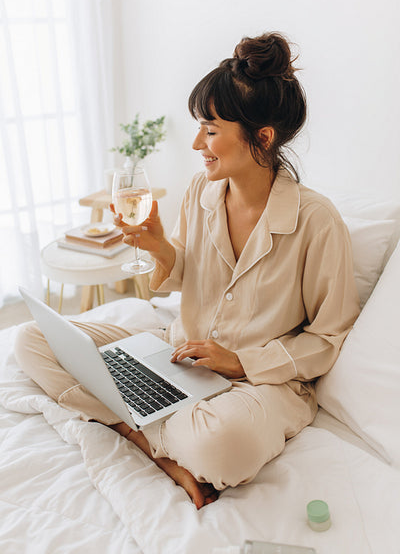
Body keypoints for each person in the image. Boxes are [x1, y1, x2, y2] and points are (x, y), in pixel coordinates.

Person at [15, 32, 360, 510]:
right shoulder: (201, 190)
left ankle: (128, 414)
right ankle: (146, 437)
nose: (197, 142)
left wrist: (240, 362)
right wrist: (160, 248)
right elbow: (186, 273)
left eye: (211, 129)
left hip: (261, 383)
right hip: (178, 352)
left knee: (223, 448)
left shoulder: (317, 222)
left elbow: (328, 338)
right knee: (31, 339)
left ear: (262, 138)